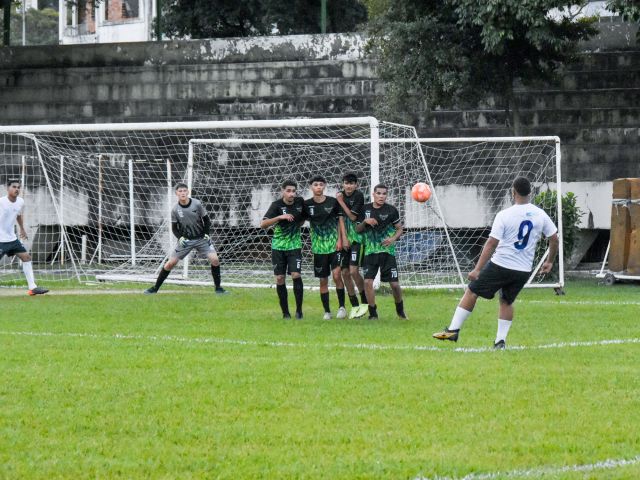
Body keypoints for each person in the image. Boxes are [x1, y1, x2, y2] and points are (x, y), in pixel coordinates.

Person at [432, 177, 559, 349]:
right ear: (530, 192)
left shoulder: (504, 215)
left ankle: (453, 330)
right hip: (523, 270)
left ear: (513, 192)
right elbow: (554, 239)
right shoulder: (540, 214)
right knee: (506, 301)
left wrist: (477, 269)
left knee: (471, 291)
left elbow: (492, 243)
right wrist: (549, 261)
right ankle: (500, 341)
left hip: (501, 265)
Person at [145, 183, 226, 294]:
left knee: (215, 260)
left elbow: (206, 220)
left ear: (188, 192)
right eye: (180, 191)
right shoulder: (175, 210)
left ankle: (218, 288)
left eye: (184, 191)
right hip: (186, 241)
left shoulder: (197, 204)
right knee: (170, 264)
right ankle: (155, 288)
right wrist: (180, 237)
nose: (182, 193)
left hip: (201, 238)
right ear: (176, 194)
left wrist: (206, 233)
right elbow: (174, 228)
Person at [356, 184, 407, 320]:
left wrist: (393, 238)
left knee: (395, 285)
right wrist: (365, 222)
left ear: (386, 195)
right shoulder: (365, 209)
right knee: (367, 282)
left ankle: (400, 311)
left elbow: (399, 228)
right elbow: (357, 230)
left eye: (384, 194)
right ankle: (373, 313)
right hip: (370, 252)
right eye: (379, 193)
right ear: (373, 194)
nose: (381, 196)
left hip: (387, 252)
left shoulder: (391, 210)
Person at [303, 176, 347, 320]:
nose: (318, 187)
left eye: (321, 185)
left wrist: (341, 239)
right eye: (315, 185)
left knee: (336, 275)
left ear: (324, 186)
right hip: (318, 248)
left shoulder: (332, 202)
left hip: (334, 246)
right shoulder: (306, 205)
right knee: (323, 280)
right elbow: (300, 220)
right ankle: (327, 311)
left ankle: (342, 307)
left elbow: (340, 220)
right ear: (311, 187)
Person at [260, 180, 305, 319]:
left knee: (296, 275)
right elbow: (263, 224)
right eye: (288, 191)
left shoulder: (300, 202)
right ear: (282, 191)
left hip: (295, 245)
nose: (291, 194)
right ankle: (285, 313)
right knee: (280, 278)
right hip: (278, 246)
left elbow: (304, 217)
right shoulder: (276, 205)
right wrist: (280, 217)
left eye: (293, 191)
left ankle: (299, 311)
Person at [0, 179, 49, 296]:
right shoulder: (1, 202)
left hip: (12, 239)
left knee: (26, 257)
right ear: (8, 188)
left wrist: (22, 228)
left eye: (18, 187)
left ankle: (32, 288)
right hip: (0, 240)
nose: (16, 189)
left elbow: (18, 214)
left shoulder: (20, 202)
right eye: (14, 187)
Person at [336, 172, 369, 319]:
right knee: (344, 273)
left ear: (356, 185)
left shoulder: (358, 196)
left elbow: (353, 217)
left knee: (354, 271)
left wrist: (341, 201)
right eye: (346, 183)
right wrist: (342, 239)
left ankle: (364, 302)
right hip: (345, 238)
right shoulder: (339, 196)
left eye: (351, 183)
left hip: (357, 238)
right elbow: (340, 219)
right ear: (343, 184)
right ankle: (354, 305)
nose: (349, 186)